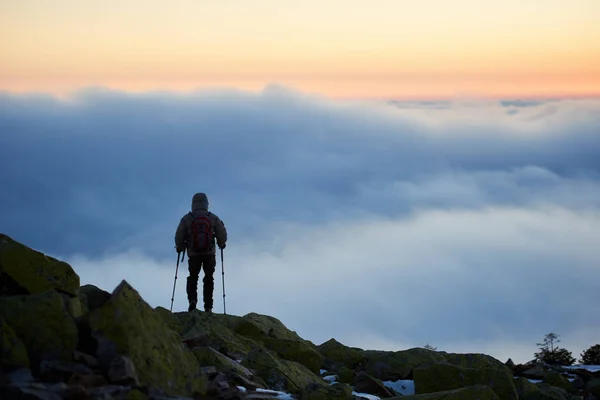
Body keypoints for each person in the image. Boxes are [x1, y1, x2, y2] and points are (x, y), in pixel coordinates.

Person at [175, 192, 227, 313]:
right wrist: (221, 243)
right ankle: (208, 306)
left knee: (193, 277)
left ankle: (192, 300)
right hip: (209, 254)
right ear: (206, 204)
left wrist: (180, 247)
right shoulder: (212, 217)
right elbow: (222, 232)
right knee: (209, 278)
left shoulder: (187, 218)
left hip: (193, 255)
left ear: (193, 204)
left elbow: (179, 235)